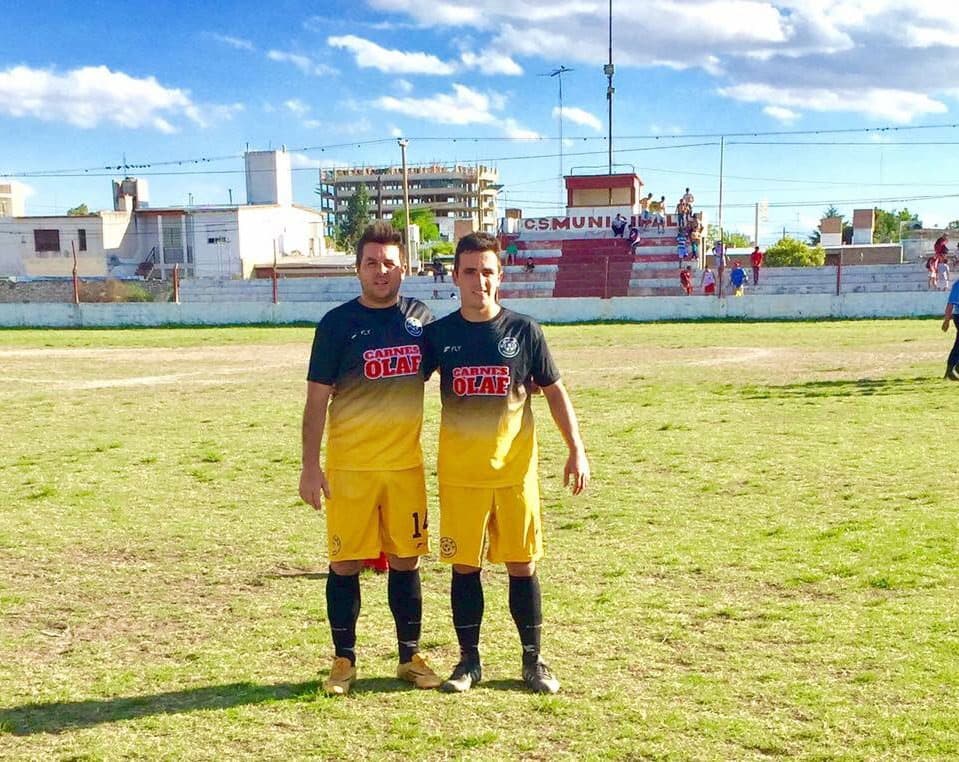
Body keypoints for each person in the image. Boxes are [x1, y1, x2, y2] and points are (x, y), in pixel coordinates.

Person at [423, 231, 590, 695]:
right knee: (464, 568)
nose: (480, 281)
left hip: (515, 475)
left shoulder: (524, 331)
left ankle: (533, 662)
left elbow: (554, 390)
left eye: (488, 272)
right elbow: (396, 383)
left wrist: (576, 447)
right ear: (455, 276)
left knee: (523, 566)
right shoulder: (440, 336)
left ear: (501, 276)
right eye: (471, 272)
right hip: (461, 476)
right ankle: (468, 663)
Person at [300, 221, 443, 696]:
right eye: (371, 263)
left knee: (407, 562)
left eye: (390, 263)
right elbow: (317, 400)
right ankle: (344, 662)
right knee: (344, 565)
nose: (381, 271)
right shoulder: (336, 324)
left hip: (404, 468)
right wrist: (309, 466)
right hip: (350, 470)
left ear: (404, 267)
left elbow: (461, 363)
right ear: (357, 268)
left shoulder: (421, 319)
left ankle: (410, 657)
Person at [942, 279, 959, 379]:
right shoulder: (957, 285)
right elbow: (950, 304)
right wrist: (946, 320)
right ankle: (951, 369)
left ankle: (953, 368)